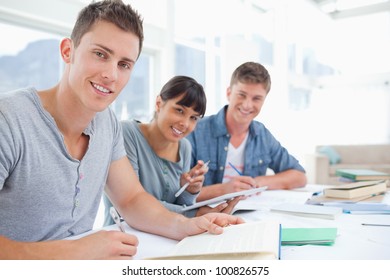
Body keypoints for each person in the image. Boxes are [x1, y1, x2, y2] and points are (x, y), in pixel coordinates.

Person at [0, 0, 243, 260]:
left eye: (124, 64)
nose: (111, 75)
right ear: (68, 51)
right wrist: (77, 251)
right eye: (100, 54)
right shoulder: (9, 120)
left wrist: (184, 226)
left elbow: (131, 199)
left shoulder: (107, 123)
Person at [103, 76, 239, 223]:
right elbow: (134, 203)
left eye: (194, 118)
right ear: (159, 103)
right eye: (179, 110)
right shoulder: (126, 134)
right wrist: (195, 213)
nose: (185, 124)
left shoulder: (184, 147)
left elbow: (180, 206)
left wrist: (189, 189)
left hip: (165, 237)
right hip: (124, 235)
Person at [187, 61, 307, 202]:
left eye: (256, 98)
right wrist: (224, 190)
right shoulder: (195, 130)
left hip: (250, 215)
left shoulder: (262, 135)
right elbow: (175, 193)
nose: (247, 105)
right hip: (205, 217)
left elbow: (299, 176)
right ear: (229, 93)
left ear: (264, 100)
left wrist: (257, 182)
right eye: (241, 95)